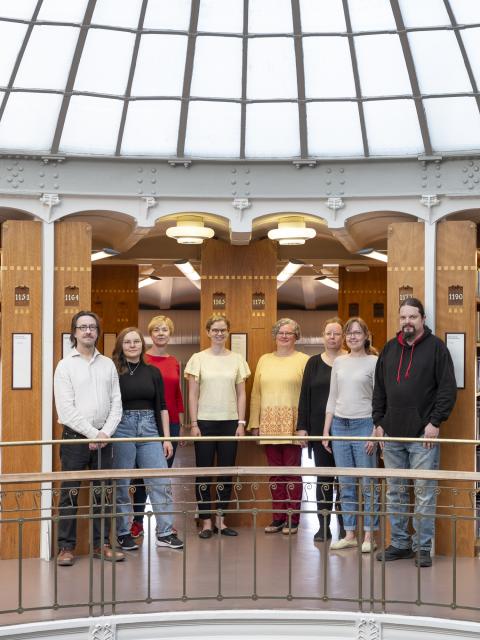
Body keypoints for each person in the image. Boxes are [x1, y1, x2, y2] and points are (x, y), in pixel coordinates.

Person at [373, 298, 457, 568]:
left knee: (424, 492)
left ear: (422, 319)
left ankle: (422, 547)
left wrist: (435, 422)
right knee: (395, 492)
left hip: (423, 436)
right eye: (403, 317)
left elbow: (447, 389)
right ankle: (400, 544)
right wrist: (379, 422)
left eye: (412, 317)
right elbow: (379, 389)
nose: (407, 322)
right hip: (392, 435)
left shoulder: (437, 348)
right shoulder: (389, 349)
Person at [54, 311, 125, 566]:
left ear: (97, 332)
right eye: (82, 327)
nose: (88, 331)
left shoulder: (107, 365)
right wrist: (93, 434)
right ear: (74, 332)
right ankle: (65, 548)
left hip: (105, 439)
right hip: (75, 439)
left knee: (102, 494)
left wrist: (105, 433)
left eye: (92, 327)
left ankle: (101, 545)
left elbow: (117, 403)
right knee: (69, 494)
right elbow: (66, 410)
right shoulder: (65, 366)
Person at [111, 327, 184, 551]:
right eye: (127, 342)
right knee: (123, 484)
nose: (132, 345)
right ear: (121, 346)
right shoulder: (113, 371)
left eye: (136, 341)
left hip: (150, 428)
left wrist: (166, 438)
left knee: (160, 481)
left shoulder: (153, 371)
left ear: (142, 345)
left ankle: (165, 532)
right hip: (122, 428)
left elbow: (162, 406)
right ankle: (124, 533)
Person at [185, 314, 250, 538]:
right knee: (204, 473)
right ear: (208, 332)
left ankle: (221, 521)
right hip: (204, 422)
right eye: (215, 330)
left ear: (228, 332)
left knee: (226, 473)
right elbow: (192, 395)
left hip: (230, 422)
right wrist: (194, 423)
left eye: (223, 330)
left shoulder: (237, 359)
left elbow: (241, 394)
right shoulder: (197, 359)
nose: (219, 333)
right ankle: (206, 522)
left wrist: (241, 422)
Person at [322, 317, 379, 553]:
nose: (353, 337)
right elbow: (332, 397)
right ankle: (350, 534)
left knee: (368, 484)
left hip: (365, 425)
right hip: (339, 426)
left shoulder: (374, 362)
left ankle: (369, 535)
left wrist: (375, 431)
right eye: (349, 333)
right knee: (345, 484)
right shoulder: (339, 362)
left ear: (366, 336)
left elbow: (380, 399)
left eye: (357, 333)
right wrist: (326, 430)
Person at [248, 318, 309, 535]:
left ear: (296, 336)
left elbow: (308, 396)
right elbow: (256, 393)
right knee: (275, 474)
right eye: (280, 332)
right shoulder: (264, 360)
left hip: (293, 425)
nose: (284, 336)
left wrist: (304, 426)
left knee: (292, 473)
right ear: (275, 336)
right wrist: (254, 423)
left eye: (289, 333)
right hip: (268, 425)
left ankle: (293, 518)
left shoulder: (304, 360)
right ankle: (278, 518)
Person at [129, 315, 185, 540]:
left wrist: (181, 425)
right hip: (146, 422)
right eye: (156, 330)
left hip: (171, 423)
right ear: (150, 334)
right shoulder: (143, 360)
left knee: (163, 476)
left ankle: (165, 523)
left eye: (165, 329)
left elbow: (177, 395)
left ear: (170, 334)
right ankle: (137, 521)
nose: (161, 333)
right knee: (143, 476)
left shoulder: (174, 361)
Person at [297, 317, 347, 542]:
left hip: (346, 428)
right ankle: (323, 526)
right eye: (328, 333)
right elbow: (304, 396)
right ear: (322, 336)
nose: (332, 337)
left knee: (345, 481)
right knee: (324, 478)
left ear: (343, 337)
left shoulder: (349, 360)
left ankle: (346, 526)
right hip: (319, 429)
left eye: (336, 333)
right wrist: (302, 427)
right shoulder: (313, 363)